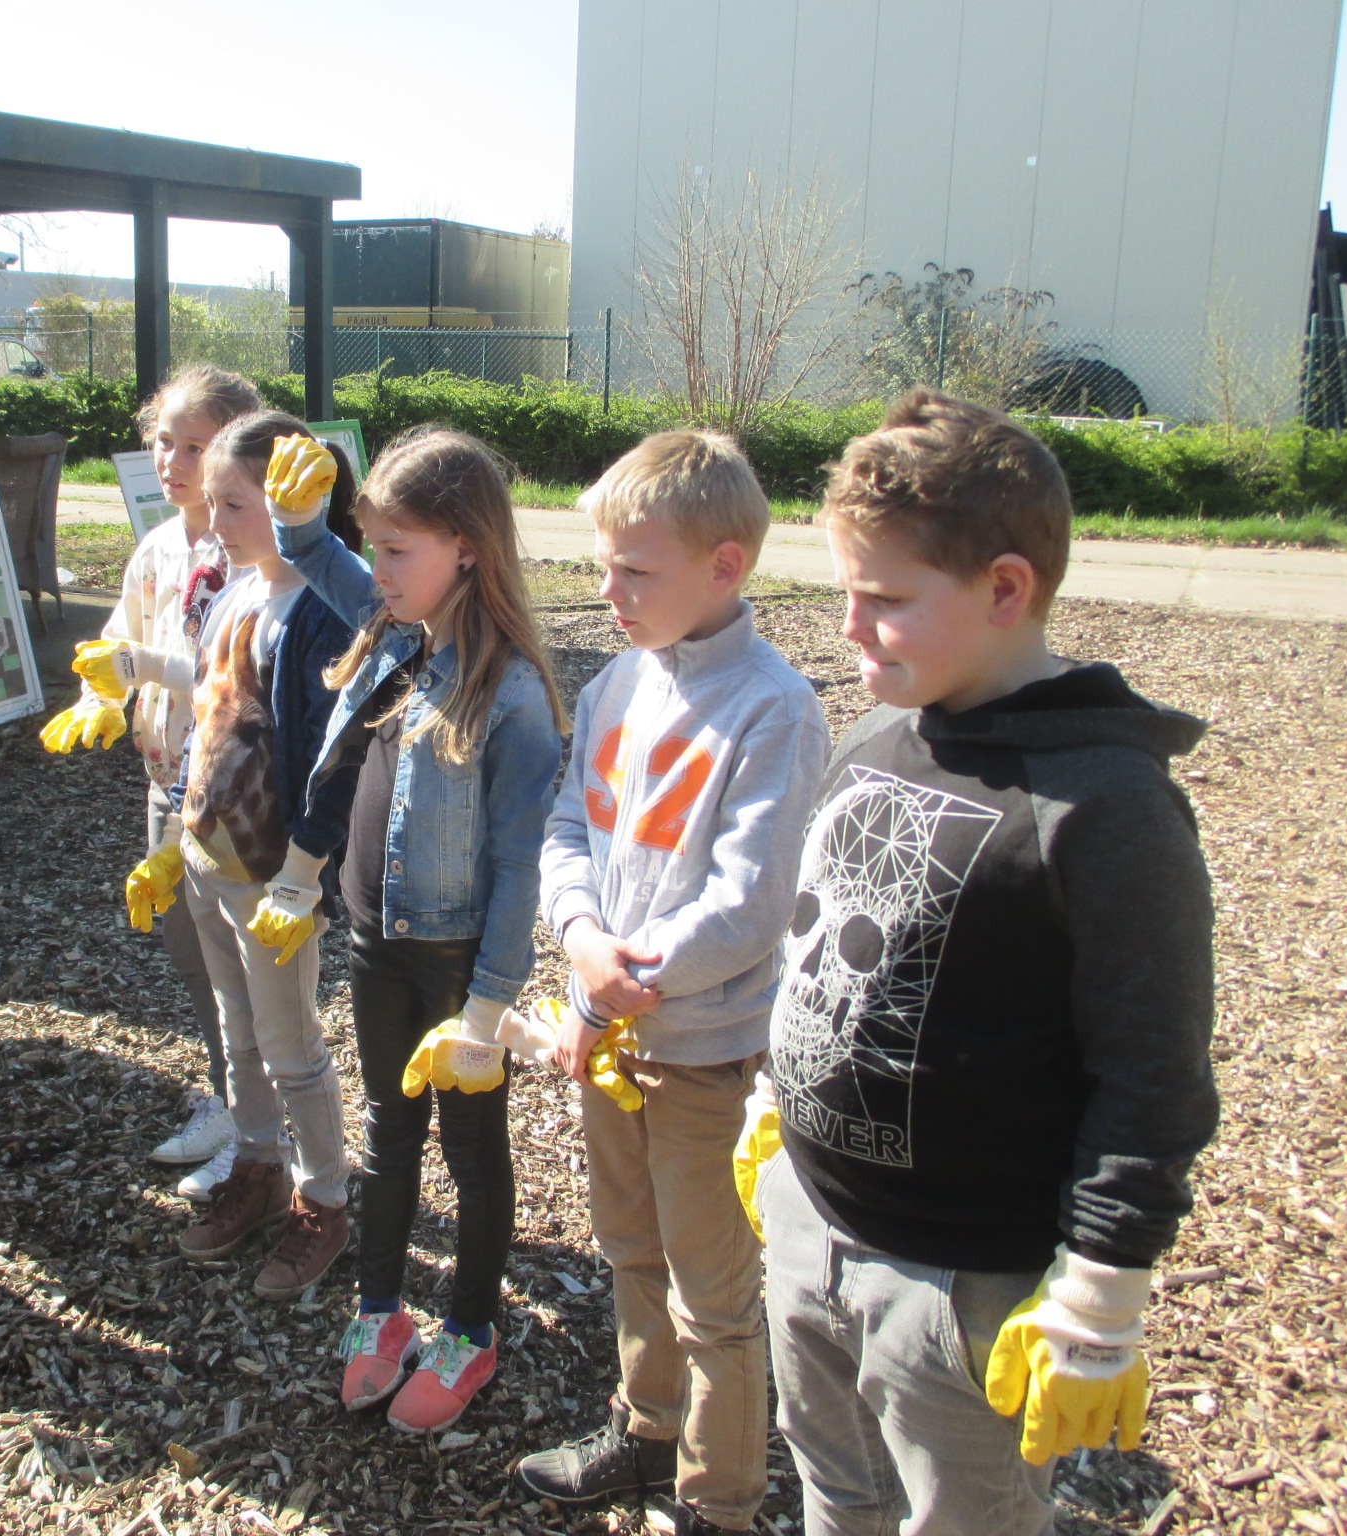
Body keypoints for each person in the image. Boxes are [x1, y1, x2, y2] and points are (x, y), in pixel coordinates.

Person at [732, 389, 1217, 1536]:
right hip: (807, 1217)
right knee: (833, 1491)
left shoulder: (1103, 806)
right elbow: (818, 943)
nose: (847, 626)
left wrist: (1102, 1292)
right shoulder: (875, 734)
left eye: (884, 600)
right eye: (843, 591)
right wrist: (772, 1103)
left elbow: (1151, 1073)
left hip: (964, 1287)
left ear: (1005, 589)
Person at [519, 430, 831, 1536]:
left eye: (634, 572)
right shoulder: (612, 683)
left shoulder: (773, 709)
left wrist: (612, 979)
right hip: (609, 1037)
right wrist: (579, 935)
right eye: (602, 568)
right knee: (626, 1250)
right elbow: (565, 827)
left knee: (713, 1300)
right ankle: (644, 1431)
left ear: (724, 566)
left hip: (701, 1053)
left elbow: (750, 906)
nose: (608, 593)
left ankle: (719, 1502)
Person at [265, 426, 566, 1433]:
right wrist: (297, 514)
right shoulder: (395, 623)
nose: (377, 568)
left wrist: (486, 1012)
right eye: (375, 547)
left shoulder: (512, 695)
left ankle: (469, 1329)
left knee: (473, 1154)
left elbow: (521, 871)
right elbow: (310, 553)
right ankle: (379, 1313)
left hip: (454, 967)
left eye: (398, 549)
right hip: (374, 940)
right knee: (389, 1136)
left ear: (467, 547)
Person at [77, 410, 359, 1301]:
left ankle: (326, 1195)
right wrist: (138, 670)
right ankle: (260, 1164)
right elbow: (211, 702)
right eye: (213, 502)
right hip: (207, 855)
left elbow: (331, 754)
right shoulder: (236, 586)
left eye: (234, 503)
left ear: (292, 503)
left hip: (271, 870)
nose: (216, 519)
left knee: (289, 1040)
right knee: (237, 1033)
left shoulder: (315, 612)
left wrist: (302, 879)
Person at [41, 364, 261, 1198]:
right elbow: (116, 638)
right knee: (191, 956)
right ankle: (227, 1098)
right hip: (163, 788)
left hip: (234, 798)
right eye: (163, 440)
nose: (172, 459)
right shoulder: (158, 546)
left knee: (243, 967)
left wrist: (140, 667)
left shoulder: (251, 550)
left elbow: (230, 671)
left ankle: (262, 1131)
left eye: (195, 445)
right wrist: (105, 692)